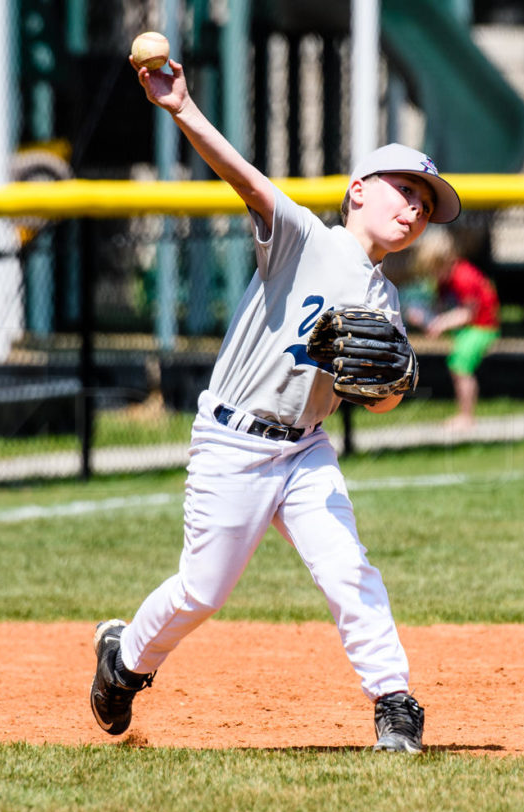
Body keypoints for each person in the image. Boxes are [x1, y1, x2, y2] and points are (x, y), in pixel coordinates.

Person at [88, 51, 461, 754]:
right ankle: (125, 659)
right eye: (405, 190)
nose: (415, 208)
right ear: (358, 190)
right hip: (234, 441)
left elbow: (378, 403)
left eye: (426, 203)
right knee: (202, 592)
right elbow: (244, 177)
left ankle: (394, 701)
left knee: (348, 566)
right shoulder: (302, 237)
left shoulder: (386, 301)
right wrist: (182, 108)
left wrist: (384, 390)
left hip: (306, 447)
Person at [407, 229, 499, 431]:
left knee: (460, 365)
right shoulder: (444, 281)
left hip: (482, 326)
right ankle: (464, 415)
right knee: (458, 366)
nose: (434, 275)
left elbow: (468, 313)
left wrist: (441, 323)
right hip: (467, 327)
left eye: (435, 269)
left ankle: (466, 417)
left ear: (445, 261)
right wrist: (425, 318)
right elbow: (441, 309)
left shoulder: (463, 276)